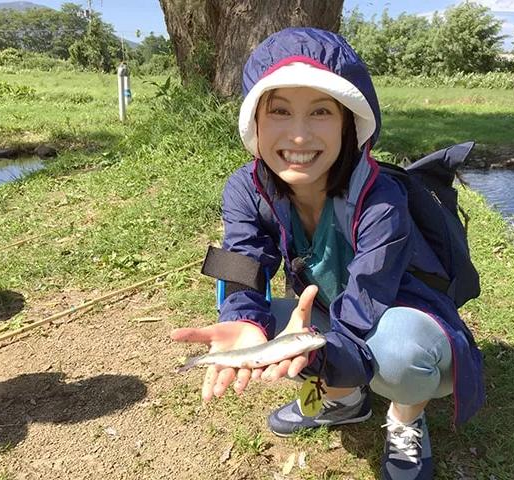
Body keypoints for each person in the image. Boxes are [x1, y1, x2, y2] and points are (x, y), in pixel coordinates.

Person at [171, 27, 485, 480]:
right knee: (269, 324)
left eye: (320, 111)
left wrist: (313, 353)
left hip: (396, 317)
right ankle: (343, 401)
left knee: (398, 354)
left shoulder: (383, 198)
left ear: (349, 122)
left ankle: (406, 418)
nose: (298, 136)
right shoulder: (246, 188)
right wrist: (243, 318)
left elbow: (363, 307)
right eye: (279, 111)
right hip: (323, 312)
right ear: (254, 122)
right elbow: (242, 264)